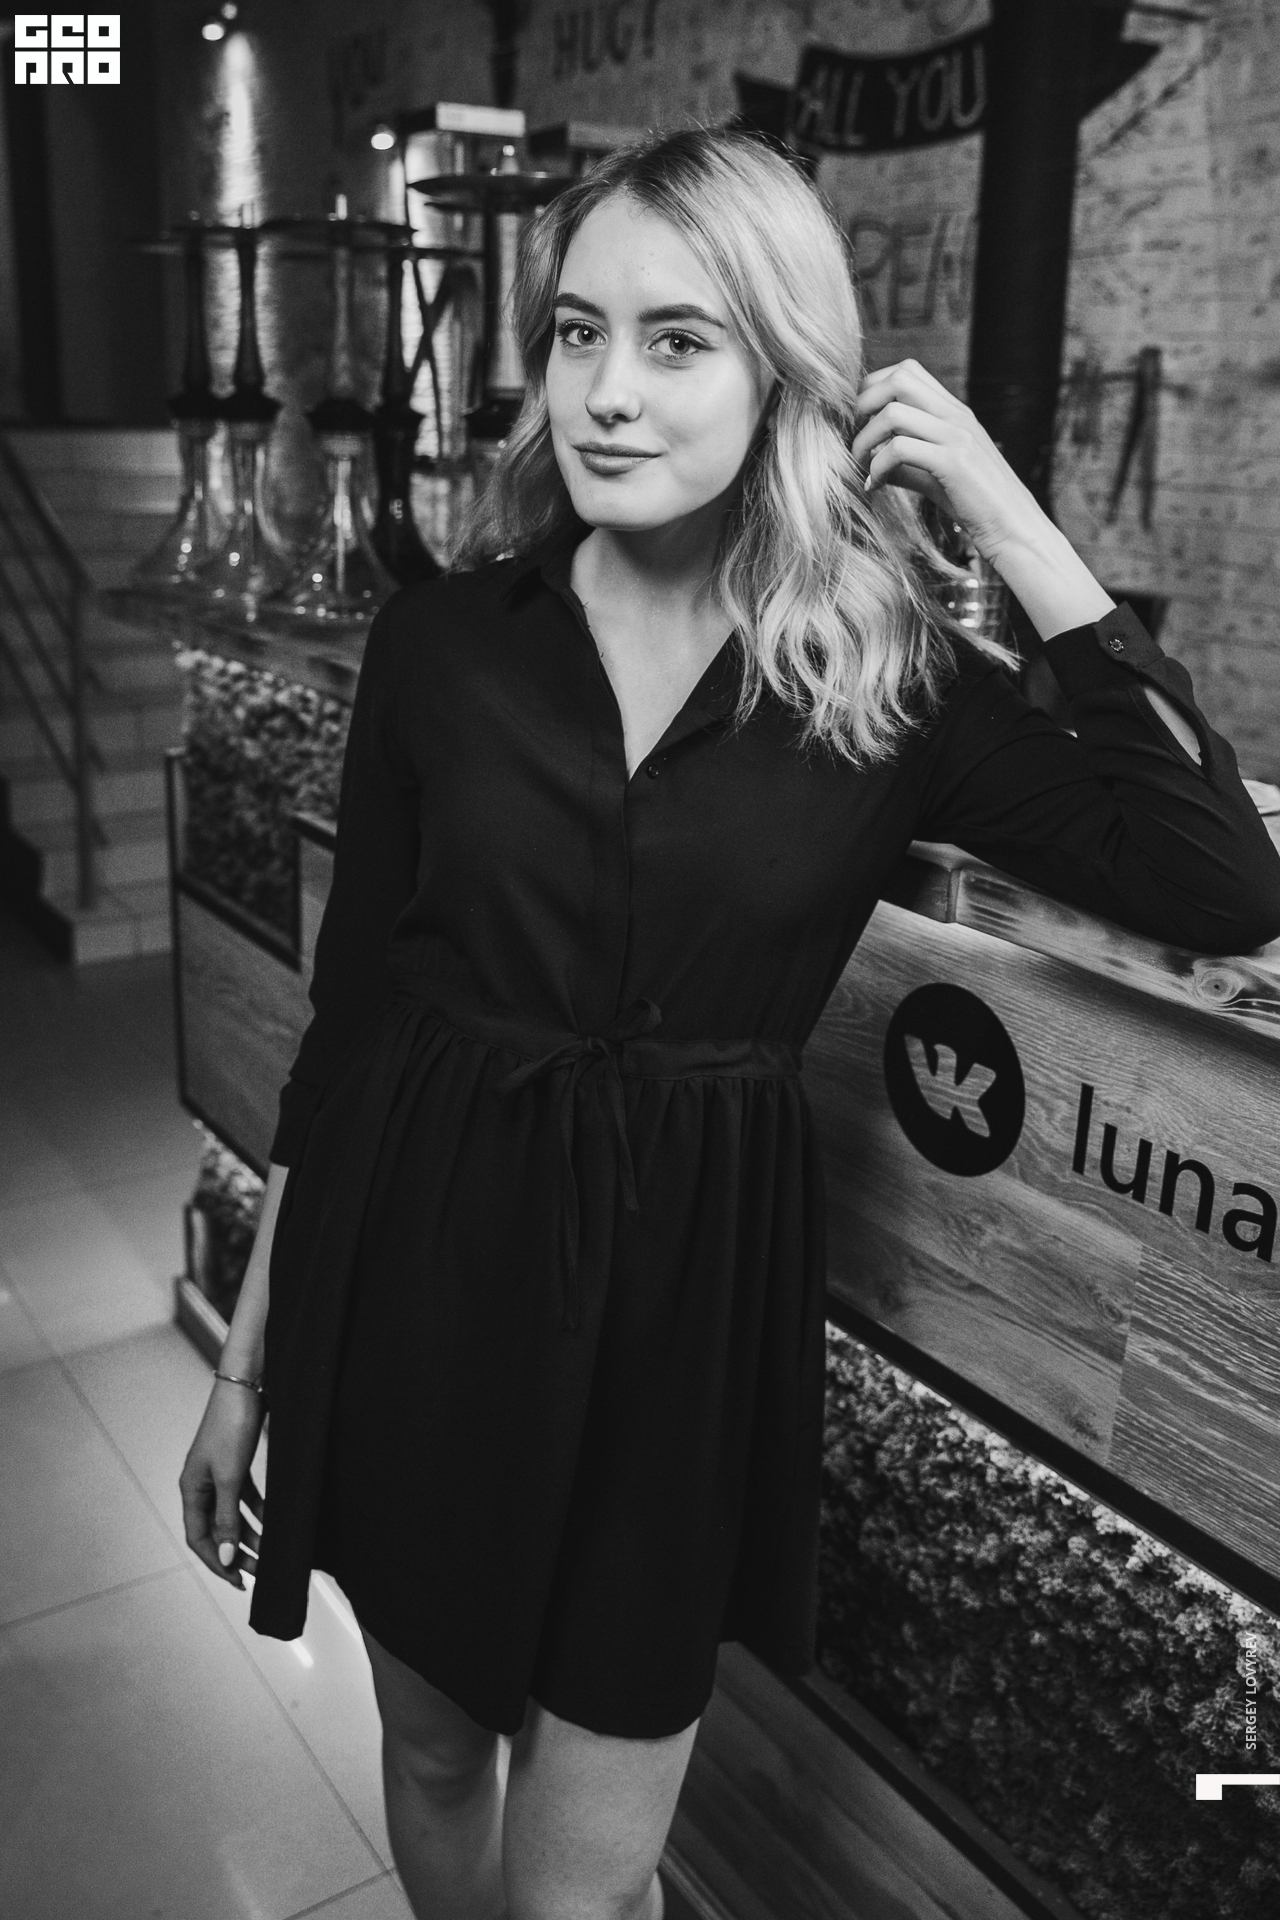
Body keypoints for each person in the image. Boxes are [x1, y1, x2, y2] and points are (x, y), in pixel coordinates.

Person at [179, 128, 1280, 1920]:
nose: (607, 392)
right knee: (438, 1759)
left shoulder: (882, 675)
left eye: (678, 339)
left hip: (677, 1322)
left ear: (784, 370)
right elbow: (350, 1023)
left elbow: (1219, 875)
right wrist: (248, 1363)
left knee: (589, 1884)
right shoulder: (443, 646)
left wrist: (1003, 511)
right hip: (420, 1274)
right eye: (578, 332)